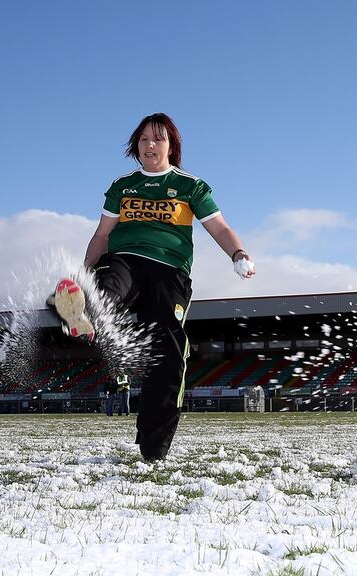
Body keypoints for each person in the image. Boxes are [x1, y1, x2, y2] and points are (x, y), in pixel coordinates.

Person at [49, 112, 256, 462]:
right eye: (143, 139)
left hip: (169, 271)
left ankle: (153, 447)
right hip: (124, 260)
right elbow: (102, 235)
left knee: (170, 352)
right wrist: (84, 275)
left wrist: (237, 253)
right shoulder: (122, 187)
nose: (149, 144)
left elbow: (219, 227)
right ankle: (80, 307)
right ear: (136, 146)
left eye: (157, 138)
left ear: (171, 145)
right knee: (108, 286)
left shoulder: (191, 186)